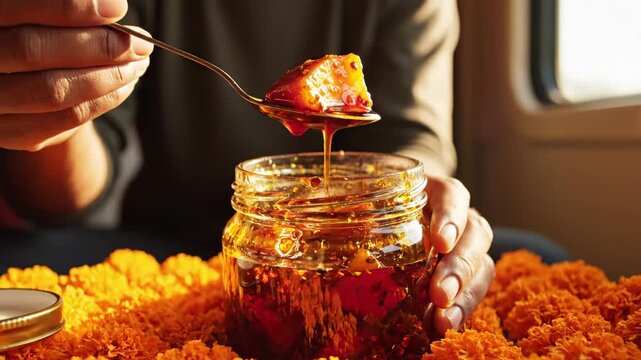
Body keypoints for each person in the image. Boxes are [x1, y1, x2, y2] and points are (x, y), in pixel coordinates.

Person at [0, 0, 494, 336]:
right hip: (159, 238)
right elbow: (70, 195)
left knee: (524, 255)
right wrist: (53, 105)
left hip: (356, 240)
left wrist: (423, 208)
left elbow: (409, 142)